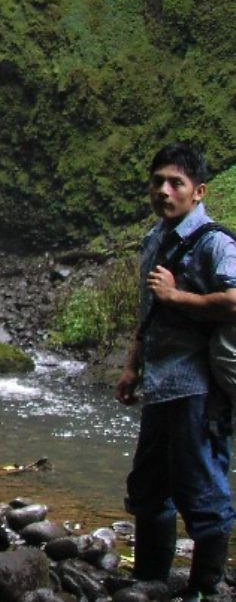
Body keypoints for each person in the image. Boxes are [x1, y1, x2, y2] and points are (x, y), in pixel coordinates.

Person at [115, 142, 236, 600]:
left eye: (176, 183)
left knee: (200, 486)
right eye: (157, 182)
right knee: (147, 485)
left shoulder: (215, 242)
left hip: (199, 388)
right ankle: (149, 579)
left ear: (198, 191)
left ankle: (205, 587)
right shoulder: (153, 238)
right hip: (160, 383)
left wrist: (177, 297)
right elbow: (147, 312)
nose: (163, 191)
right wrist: (131, 368)